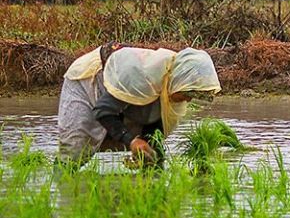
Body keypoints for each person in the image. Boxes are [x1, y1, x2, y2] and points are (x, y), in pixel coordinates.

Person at [57, 43, 221, 166]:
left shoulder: (169, 87)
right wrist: (131, 141)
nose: (188, 100)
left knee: (151, 155)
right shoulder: (143, 78)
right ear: (179, 81)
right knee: (74, 152)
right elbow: (102, 111)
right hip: (90, 78)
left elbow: (154, 128)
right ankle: (61, 190)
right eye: (187, 94)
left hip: (126, 94)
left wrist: (147, 156)